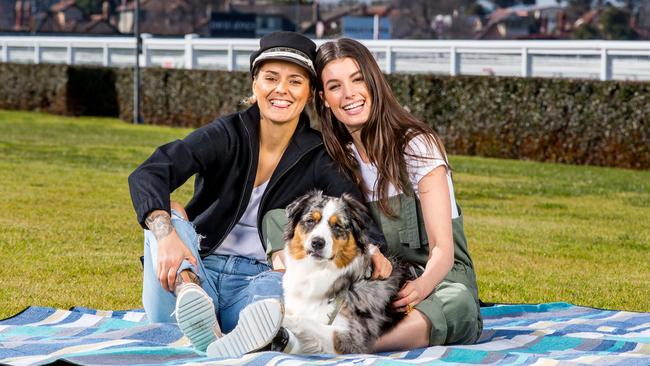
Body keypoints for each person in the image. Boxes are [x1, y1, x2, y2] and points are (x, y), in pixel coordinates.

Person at [128, 31, 387, 355]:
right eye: (271, 78)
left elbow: (355, 211)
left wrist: (373, 248)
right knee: (169, 210)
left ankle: (229, 334)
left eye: (295, 81)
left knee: (282, 278)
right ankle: (193, 300)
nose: (282, 90)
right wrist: (165, 233)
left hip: (257, 283)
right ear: (255, 84)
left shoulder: (317, 155)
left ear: (309, 94)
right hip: (193, 269)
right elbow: (149, 173)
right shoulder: (227, 134)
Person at [313, 38, 483, 351]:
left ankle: (348, 344)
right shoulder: (336, 161)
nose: (349, 94)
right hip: (380, 282)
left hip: (438, 279)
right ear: (324, 99)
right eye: (335, 86)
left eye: (357, 79)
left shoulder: (417, 146)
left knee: (456, 304)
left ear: (374, 82)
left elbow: (443, 250)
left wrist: (420, 288)